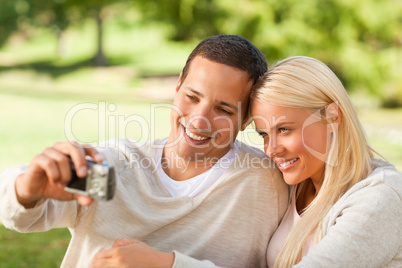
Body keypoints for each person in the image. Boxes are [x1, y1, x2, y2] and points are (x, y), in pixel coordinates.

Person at [0, 35, 288, 268]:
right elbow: (19, 217)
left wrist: (168, 264)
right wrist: (26, 189)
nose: (199, 120)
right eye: (192, 97)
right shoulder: (118, 163)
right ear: (177, 85)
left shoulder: (267, 183)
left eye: (223, 109)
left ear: (246, 119)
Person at [250, 56, 402, 267]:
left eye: (284, 129)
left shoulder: (381, 197)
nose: (270, 149)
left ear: (332, 117)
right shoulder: (296, 186)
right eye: (263, 134)